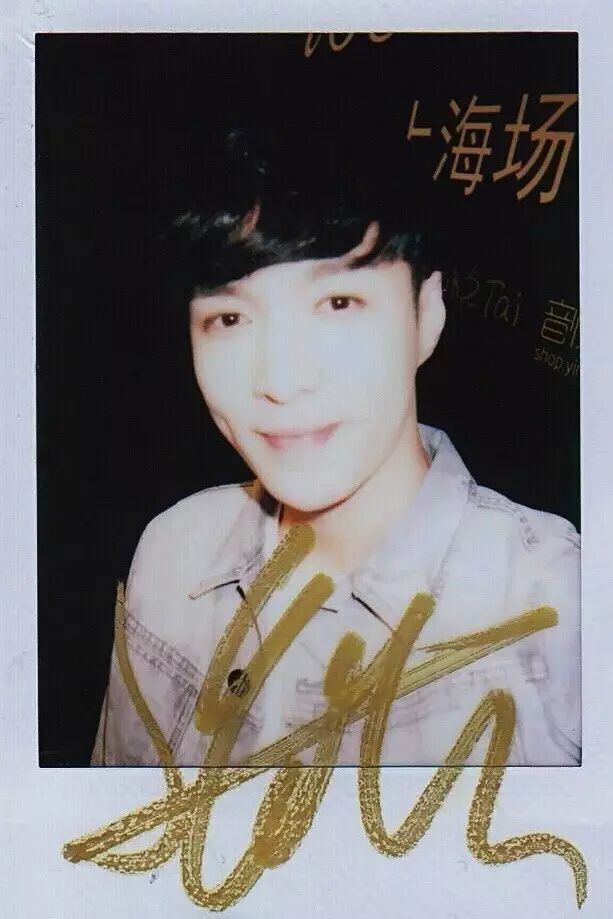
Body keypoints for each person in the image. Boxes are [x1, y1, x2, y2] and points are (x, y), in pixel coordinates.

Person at [91, 129, 580, 767]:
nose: (280, 380)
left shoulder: (558, 614)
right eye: (229, 319)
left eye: (339, 302)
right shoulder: (173, 555)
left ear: (427, 314)